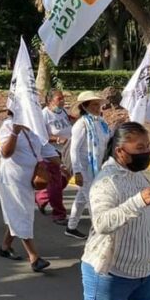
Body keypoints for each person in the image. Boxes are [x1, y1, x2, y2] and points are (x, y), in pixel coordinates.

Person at [58, 122, 150, 300]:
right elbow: (102, 223)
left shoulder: (137, 175)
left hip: (146, 272)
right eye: (139, 148)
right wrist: (137, 202)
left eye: (147, 146)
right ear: (120, 151)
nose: (146, 152)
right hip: (111, 273)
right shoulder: (106, 182)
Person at [0, 112, 59, 272]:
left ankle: (5, 246)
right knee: (21, 213)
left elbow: (45, 149)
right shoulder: (8, 125)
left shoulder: (34, 127)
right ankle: (34, 257)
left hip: (30, 179)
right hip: (12, 180)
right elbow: (5, 153)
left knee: (19, 213)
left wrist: (61, 164)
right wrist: (15, 132)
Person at [66, 91, 110, 240]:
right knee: (93, 199)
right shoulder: (81, 124)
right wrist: (77, 171)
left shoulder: (102, 123)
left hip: (98, 167)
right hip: (85, 168)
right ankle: (98, 232)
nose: (97, 107)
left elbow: (106, 142)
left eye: (98, 104)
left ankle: (71, 227)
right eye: (94, 105)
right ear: (85, 107)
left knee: (81, 198)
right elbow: (74, 149)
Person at [40, 89, 72, 225]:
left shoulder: (63, 112)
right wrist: (59, 139)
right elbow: (41, 136)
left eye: (63, 98)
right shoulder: (44, 115)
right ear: (49, 101)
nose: (63, 101)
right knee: (56, 183)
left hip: (66, 152)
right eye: (59, 98)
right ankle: (59, 214)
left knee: (64, 179)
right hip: (51, 153)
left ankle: (42, 197)